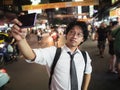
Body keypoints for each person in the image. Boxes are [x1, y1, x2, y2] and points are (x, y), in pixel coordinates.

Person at [11, 19, 92, 90]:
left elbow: (87, 73)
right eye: (72, 32)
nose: (74, 36)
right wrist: (21, 40)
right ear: (66, 34)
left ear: (83, 39)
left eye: (79, 34)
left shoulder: (85, 56)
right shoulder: (54, 53)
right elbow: (31, 55)